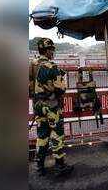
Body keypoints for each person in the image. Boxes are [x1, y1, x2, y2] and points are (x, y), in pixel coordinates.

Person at [29, 37, 73, 176]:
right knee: (57, 134)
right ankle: (60, 165)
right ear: (48, 51)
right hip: (51, 105)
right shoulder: (52, 66)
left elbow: (29, 86)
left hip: (37, 104)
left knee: (42, 135)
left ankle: (39, 166)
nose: (53, 52)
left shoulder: (31, 64)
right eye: (52, 50)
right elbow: (60, 90)